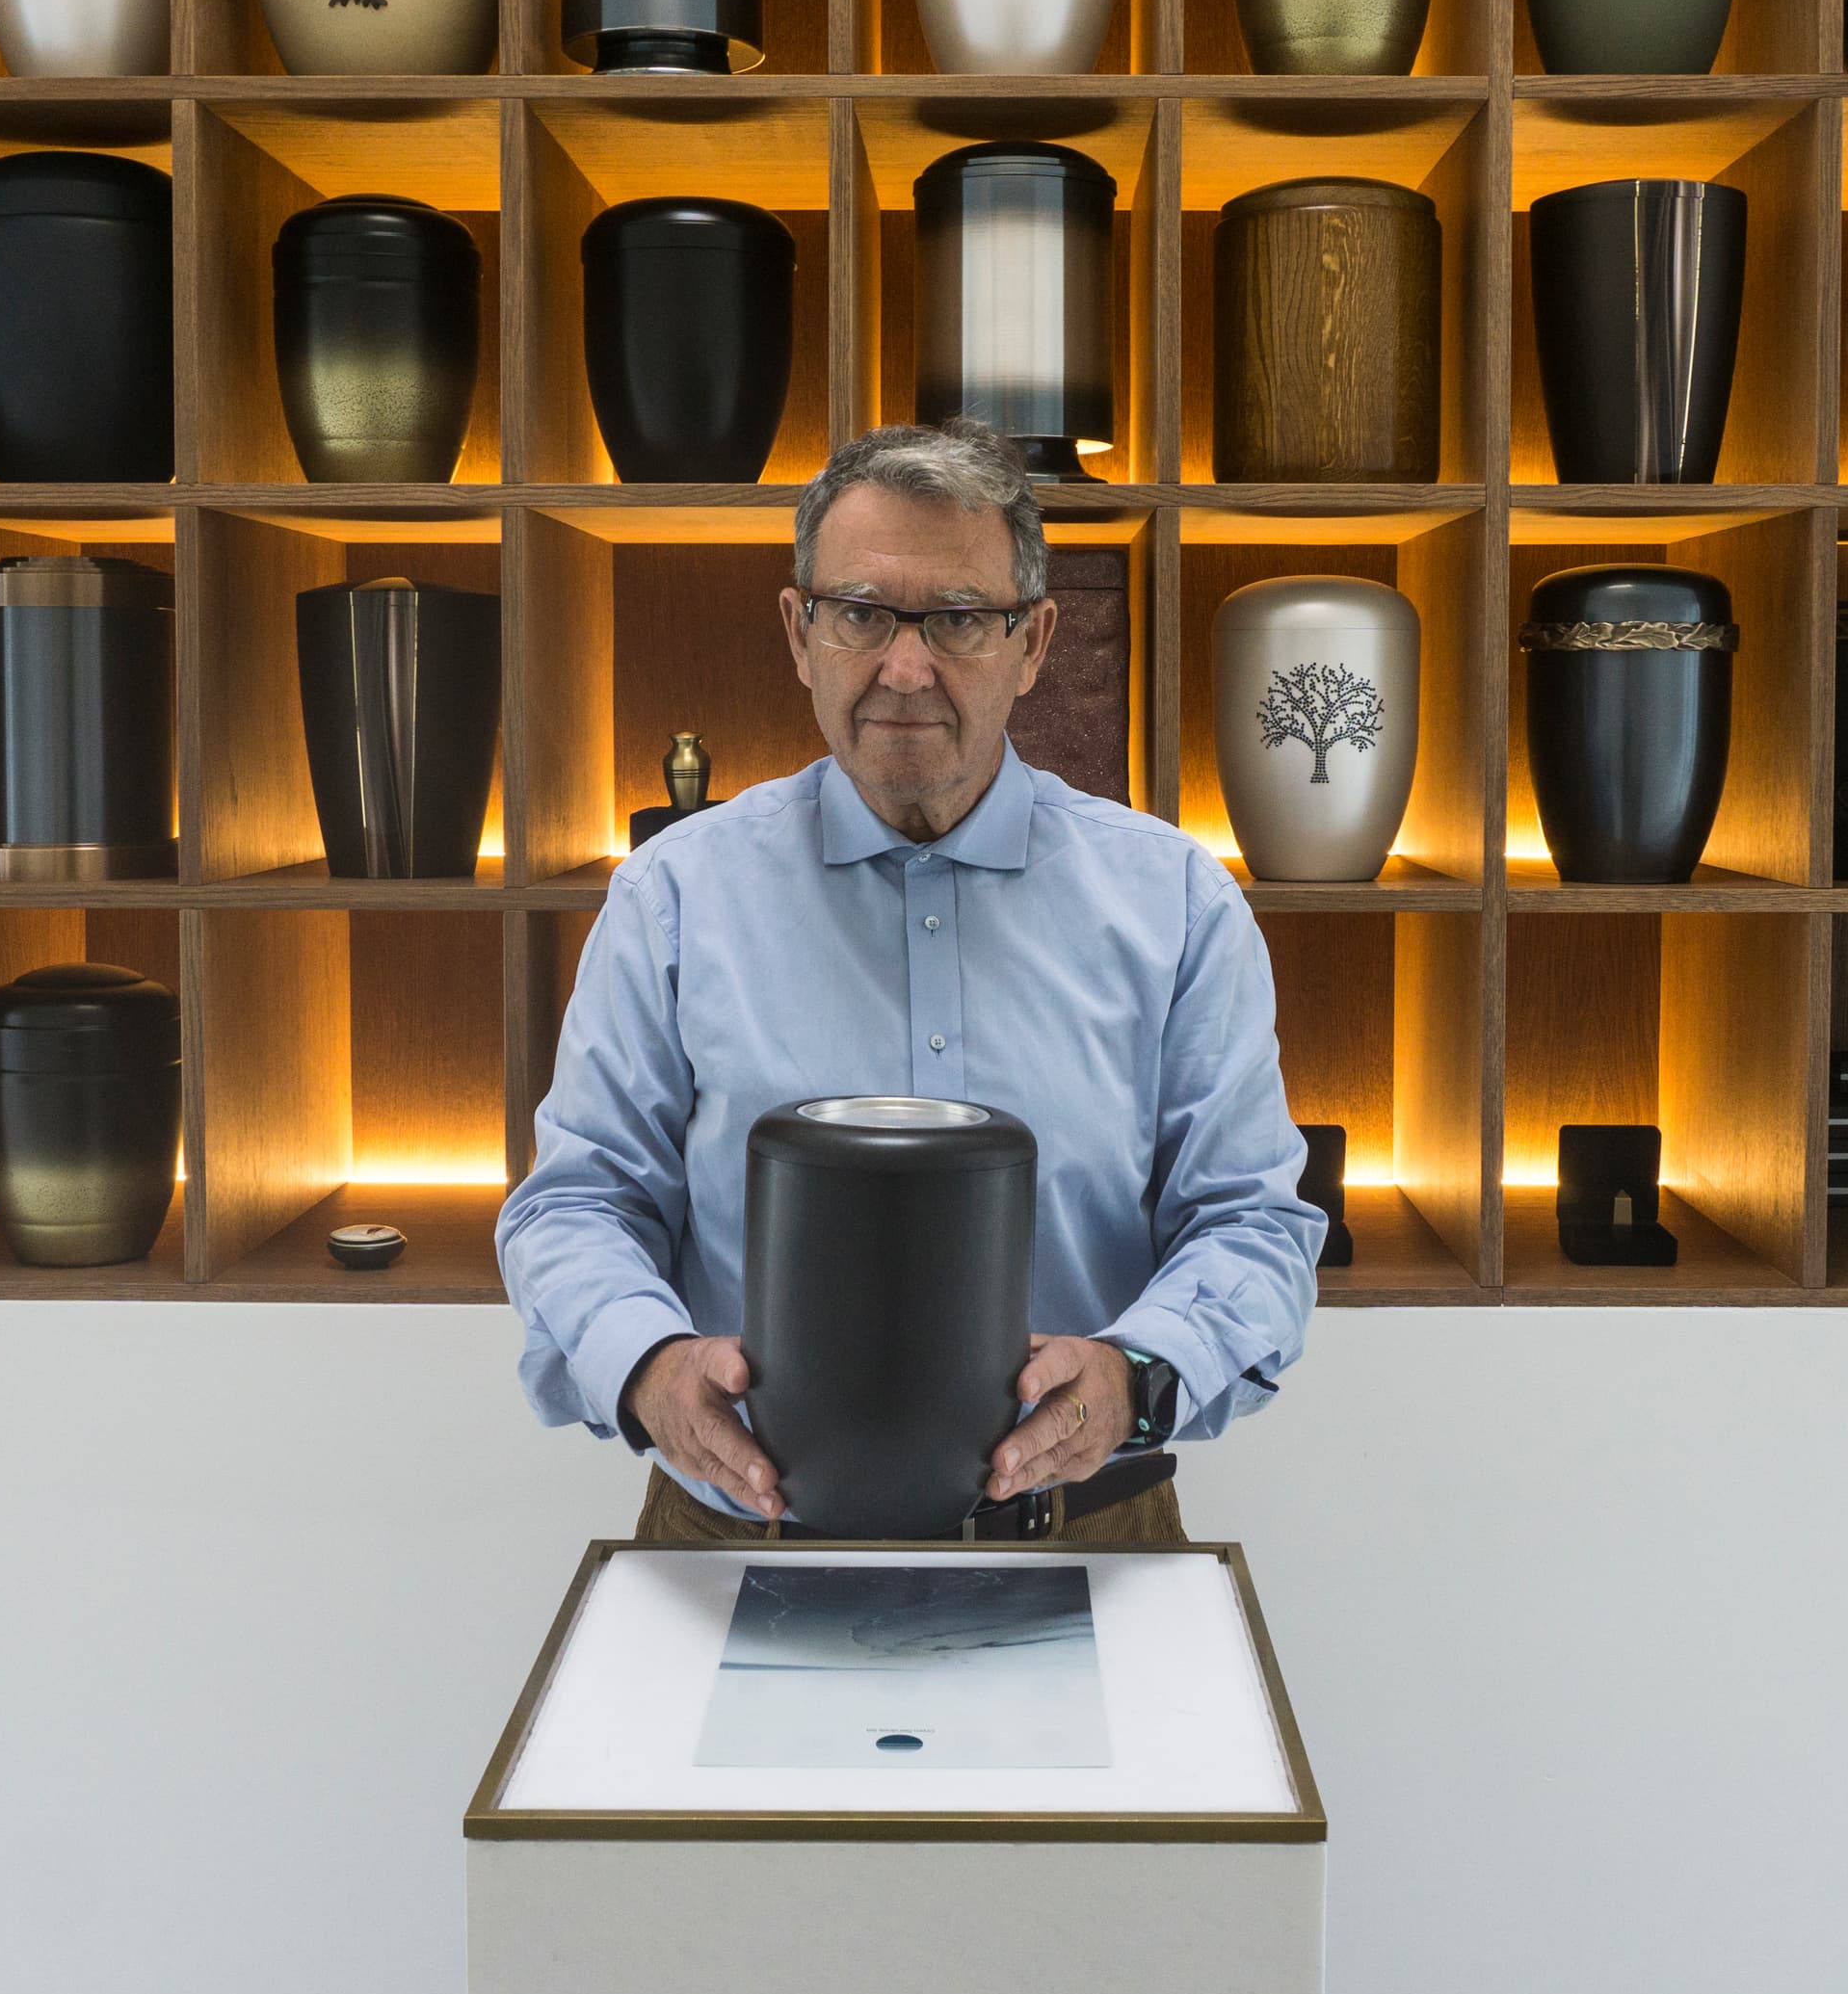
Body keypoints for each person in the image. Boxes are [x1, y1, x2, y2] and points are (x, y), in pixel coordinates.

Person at [497, 419, 1321, 1542]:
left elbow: (1252, 1224)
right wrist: (646, 1366)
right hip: (734, 1534)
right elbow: (577, 1202)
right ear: (800, 630)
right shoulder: (673, 898)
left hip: (1092, 1536)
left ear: (1033, 642)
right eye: (861, 612)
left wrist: (1136, 1374)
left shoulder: (1175, 903)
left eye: (960, 619)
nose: (905, 666)